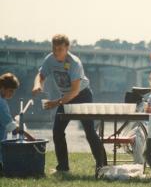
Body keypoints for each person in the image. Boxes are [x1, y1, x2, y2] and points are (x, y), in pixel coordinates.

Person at [32, 34, 106, 173]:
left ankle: (102, 165)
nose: (56, 52)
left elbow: (74, 92)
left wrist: (55, 103)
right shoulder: (50, 59)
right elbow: (41, 75)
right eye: (54, 48)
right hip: (65, 96)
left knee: (89, 131)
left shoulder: (74, 63)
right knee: (57, 131)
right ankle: (63, 168)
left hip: (82, 95)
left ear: (67, 48)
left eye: (60, 49)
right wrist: (37, 85)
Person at [0, 73, 20, 172]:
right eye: (10, 91)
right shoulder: (1, 103)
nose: (12, 94)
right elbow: (10, 126)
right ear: (2, 88)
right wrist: (27, 135)